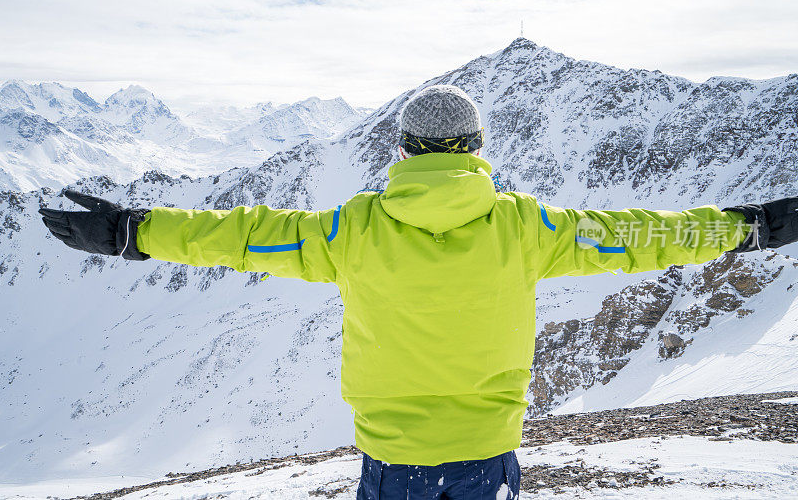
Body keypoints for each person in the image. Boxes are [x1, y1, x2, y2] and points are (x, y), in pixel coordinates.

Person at [40, 84, 798, 499]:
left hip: (391, 462)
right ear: (477, 152)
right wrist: (752, 226)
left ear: (403, 152)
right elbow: (644, 235)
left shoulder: (352, 231)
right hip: (486, 459)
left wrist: (132, 232)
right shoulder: (530, 228)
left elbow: (241, 234)